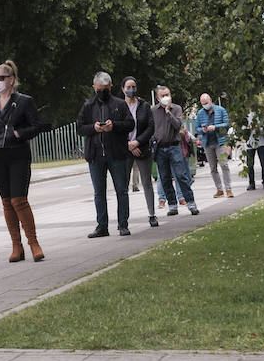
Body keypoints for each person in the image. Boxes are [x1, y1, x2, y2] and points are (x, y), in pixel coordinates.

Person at [0, 60, 48, 261]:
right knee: (7, 202)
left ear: (11, 79)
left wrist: (20, 133)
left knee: (19, 200)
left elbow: (38, 125)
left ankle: (33, 243)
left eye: (1, 78)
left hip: (18, 155)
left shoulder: (24, 101)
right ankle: (17, 246)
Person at [77, 72, 135, 237]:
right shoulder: (88, 105)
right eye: (99, 89)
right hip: (95, 155)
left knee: (121, 190)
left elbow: (130, 124)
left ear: (111, 87)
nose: (102, 92)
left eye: (105, 89)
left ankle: (123, 224)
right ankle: (102, 226)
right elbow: (80, 128)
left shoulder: (120, 104)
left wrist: (114, 126)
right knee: (99, 192)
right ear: (94, 87)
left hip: (117, 154)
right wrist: (93, 128)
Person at [152, 85, 199, 216]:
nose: (166, 97)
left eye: (167, 95)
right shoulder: (153, 111)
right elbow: (151, 127)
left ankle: (191, 203)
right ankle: (172, 205)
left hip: (174, 146)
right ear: (158, 98)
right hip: (160, 148)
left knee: (181, 175)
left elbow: (178, 125)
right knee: (165, 177)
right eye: (163, 96)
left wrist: (168, 112)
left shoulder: (176, 108)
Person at [120, 76, 159, 227]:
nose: (131, 90)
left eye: (133, 87)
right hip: (124, 150)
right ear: (123, 89)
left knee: (146, 182)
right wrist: (128, 145)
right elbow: (116, 128)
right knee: (123, 185)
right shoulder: (118, 106)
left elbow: (150, 126)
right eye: (128, 87)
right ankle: (123, 219)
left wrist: (137, 142)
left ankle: (152, 214)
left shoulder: (144, 105)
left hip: (142, 148)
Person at [195, 93, 233, 197]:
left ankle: (228, 189)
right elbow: (197, 127)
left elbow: (227, 124)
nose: (205, 105)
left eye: (206, 103)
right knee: (213, 168)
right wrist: (202, 130)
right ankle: (219, 189)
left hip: (220, 142)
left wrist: (215, 127)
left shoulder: (221, 110)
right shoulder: (200, 113)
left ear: (211, 100)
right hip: (207, 143)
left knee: (224, 165)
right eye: (203, 104)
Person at [243, 104, 264, 190]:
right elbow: (243, 130)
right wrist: (249, 128)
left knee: (263, 163)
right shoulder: (246, 118)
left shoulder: (262, 118)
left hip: (261, 142)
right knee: (250, 165)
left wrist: (259, 128)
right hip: (250, 143)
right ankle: (251, 183)